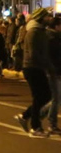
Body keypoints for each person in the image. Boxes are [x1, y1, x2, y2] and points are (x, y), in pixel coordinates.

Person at [15, 8, 53, 138]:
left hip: (38, 67)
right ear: (41, 18)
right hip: (32, 67)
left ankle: (25, 116)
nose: (50, 18)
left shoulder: (41, 31)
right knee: (40, 96)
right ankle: (35, 127)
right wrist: (47, 65)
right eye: (47, 16)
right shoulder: (33, 32)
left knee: (45, 96)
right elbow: (33, 53)